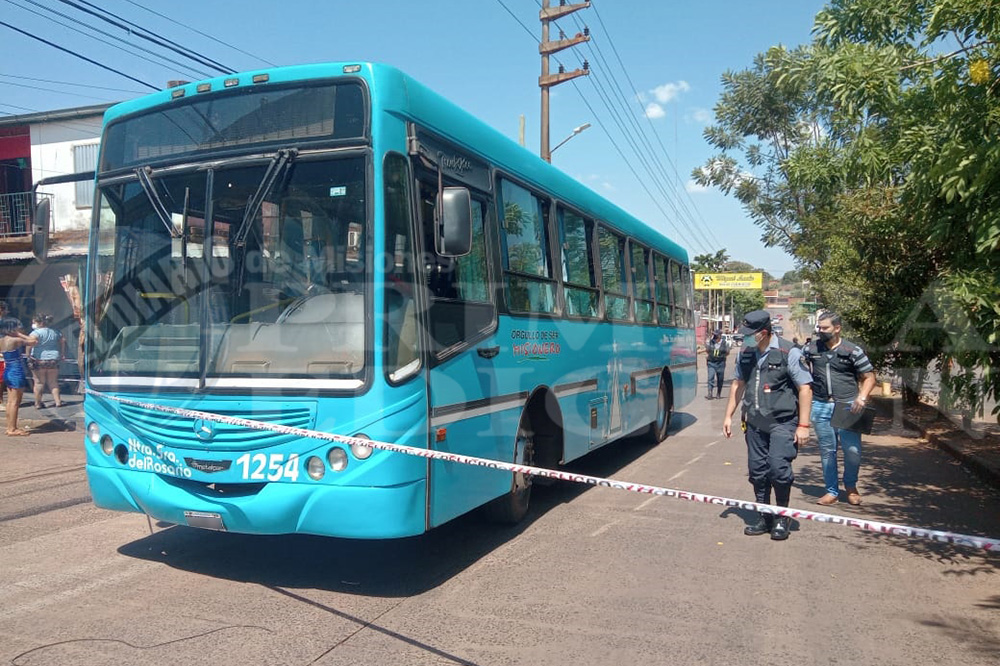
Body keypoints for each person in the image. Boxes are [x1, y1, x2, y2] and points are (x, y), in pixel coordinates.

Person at [723, 310, 813, 541]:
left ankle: (782, 517)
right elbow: (738, 384)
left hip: (783, 422)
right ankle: (765, 516)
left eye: (749, 334)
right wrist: (728, 416)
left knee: (778, 470)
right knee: (758, 471)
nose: (745, 338)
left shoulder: (788, 352)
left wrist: (803, 425)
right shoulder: (745, 353)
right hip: (754, 422)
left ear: (763, 333)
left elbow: (805, 388)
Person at [803, 312, 877, 506]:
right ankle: (831, 491)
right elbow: (799, 369)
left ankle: (851, 486)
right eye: (819, 328)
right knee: (828, 450)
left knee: (852, 450)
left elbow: (869, 377)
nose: (821, 331)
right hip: (820, 405)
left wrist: (862, 397)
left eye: (825, 328)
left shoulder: (852, 350)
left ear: (837, 328)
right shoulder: (811, 349)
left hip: (848, 406)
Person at [2, 318, 38, 436]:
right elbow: (34, 341)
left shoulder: (2, 340)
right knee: (15, 402)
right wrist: (20, 334)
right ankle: (12, 429)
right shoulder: (15, 340)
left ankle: (10, 427)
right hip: (16, 371)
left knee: (10, 402)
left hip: (8, 370)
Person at [28, 313, 65, 409]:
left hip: (39, 359)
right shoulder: (55, 332)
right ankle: (58, 401)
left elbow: (30, 343)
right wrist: (62, 353)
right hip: (53, 359)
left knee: (39, 382)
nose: (33, 324)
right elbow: (62, 340)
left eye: (34, 322)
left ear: (39, 323)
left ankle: (38, 403)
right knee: (53, 382)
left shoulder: (35, 333)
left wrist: (28, 354)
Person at [704, 328, 729, 400]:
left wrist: (721, 357)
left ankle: (718, 393)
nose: (714, 337)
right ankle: (710, 393)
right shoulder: (711, 342)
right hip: (711, 363)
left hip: (721, 363)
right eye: (714, 335)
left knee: (720, 379)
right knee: (710, 378)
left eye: (716, 335)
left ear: (720, 336)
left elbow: (727, 352)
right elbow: (707, 350)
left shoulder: (724, 343)